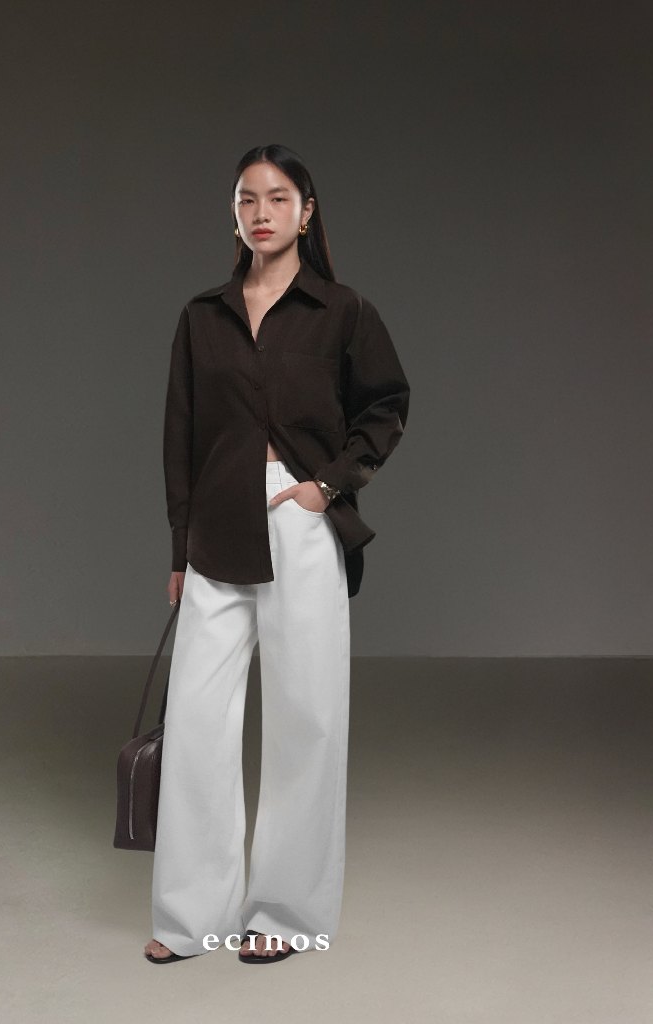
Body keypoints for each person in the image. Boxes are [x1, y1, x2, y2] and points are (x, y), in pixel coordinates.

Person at [144, 144, 410, 964]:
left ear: (307, 210)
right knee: (197, 722)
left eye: (278, 197)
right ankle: (192, 918)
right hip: (216, 523)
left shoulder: (343, 312)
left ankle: (286, 917)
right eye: (246, 199)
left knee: (306, 717)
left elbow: (386, 405)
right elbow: (180, 438)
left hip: (299, 517)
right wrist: (180, 546)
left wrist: (327, 486)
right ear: (233, 214)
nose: (261, 212)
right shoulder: (202, 316)